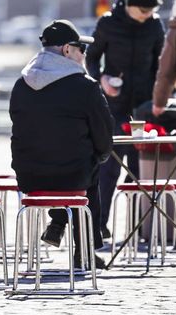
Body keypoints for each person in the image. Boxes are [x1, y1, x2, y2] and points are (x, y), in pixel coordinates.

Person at [10, 20, 114, 269]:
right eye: (82, 49)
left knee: (77, 163)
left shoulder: (21, 85)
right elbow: (103, 136)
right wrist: (100, 155)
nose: (84, 55)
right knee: (90, 168)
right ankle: (85, 251)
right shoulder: (85, 87)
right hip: (73, 177)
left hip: (29, 177)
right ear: (67, 50)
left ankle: (57, 224)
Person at [86, 0, 166, 238]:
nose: (147, 14)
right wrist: (102, 80)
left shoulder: (154, 26)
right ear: (130, 4)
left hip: (144, 105)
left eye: (151, 10)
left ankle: (138, 227)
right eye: (143, 9)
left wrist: (160, 96)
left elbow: (160, 64)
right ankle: (99, 225)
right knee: (109, 166)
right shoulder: (109, 23)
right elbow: (92, 57)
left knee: (139, 167)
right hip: (113, 104)